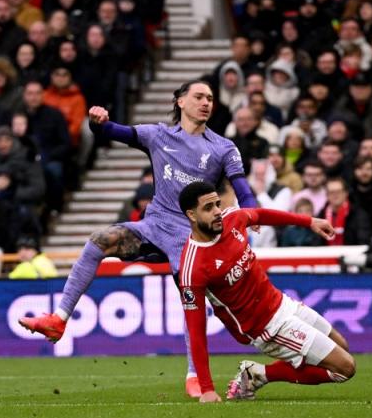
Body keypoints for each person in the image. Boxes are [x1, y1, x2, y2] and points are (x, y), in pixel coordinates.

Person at [17, 80, 259, 399]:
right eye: (199, 96)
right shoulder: (158, 135)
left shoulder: (223, 147)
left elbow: (242, 189)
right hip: (154, 227)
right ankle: (58, 320)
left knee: (193, 297)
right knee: (100, 240)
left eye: (210, 98)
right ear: (180, 101)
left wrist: (253, 213)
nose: (206, 103)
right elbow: (113, 132)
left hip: (192, 237)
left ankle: (195, 375)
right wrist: (97, 122)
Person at [176, 181, 355, 403]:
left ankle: (255, 374)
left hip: (282, 303)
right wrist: (207, 389)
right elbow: (196, 331)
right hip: (267, 328)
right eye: (208, 208)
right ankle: (263, 374)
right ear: (191, 215)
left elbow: (261, 215)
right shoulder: (193, 267)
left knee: (342, 347)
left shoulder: (233, 219)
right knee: (345, 368)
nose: (217, 212)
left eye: (217, 204)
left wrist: (309, 221)